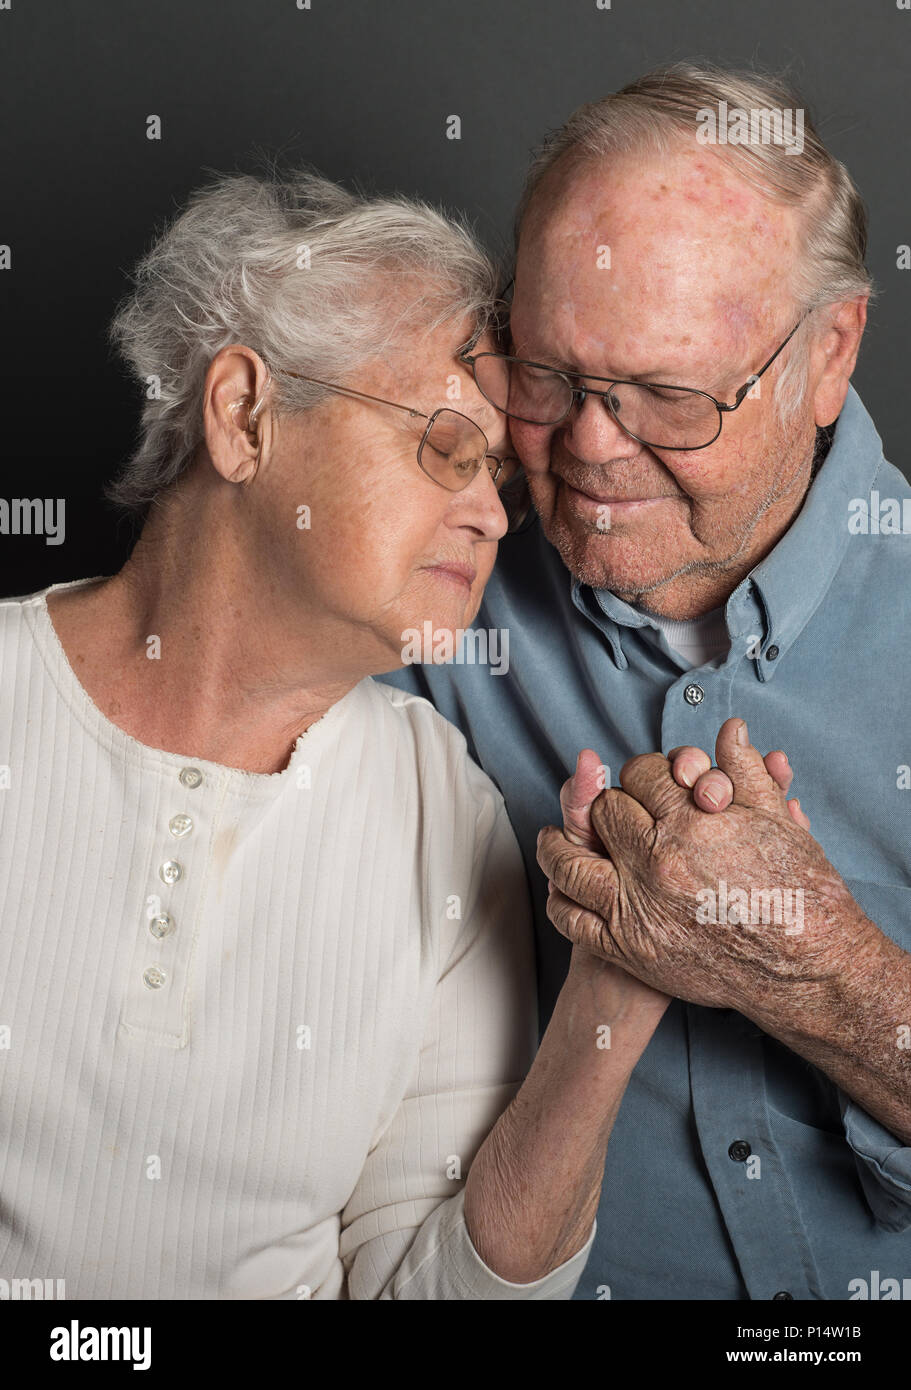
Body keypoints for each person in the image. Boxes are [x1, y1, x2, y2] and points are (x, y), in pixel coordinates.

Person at [0, 163, 733, 1300]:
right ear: (243, 415)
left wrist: (612, 992)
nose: (494, 509)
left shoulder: (442, 801)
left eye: (498, 472)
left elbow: (429, 1292)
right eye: (445, 444)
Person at [383, 62, 911, 1300]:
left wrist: (819, 967)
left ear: (827, 354)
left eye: (670, 399)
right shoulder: (424, 580)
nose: (589, 447)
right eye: (548, 374)